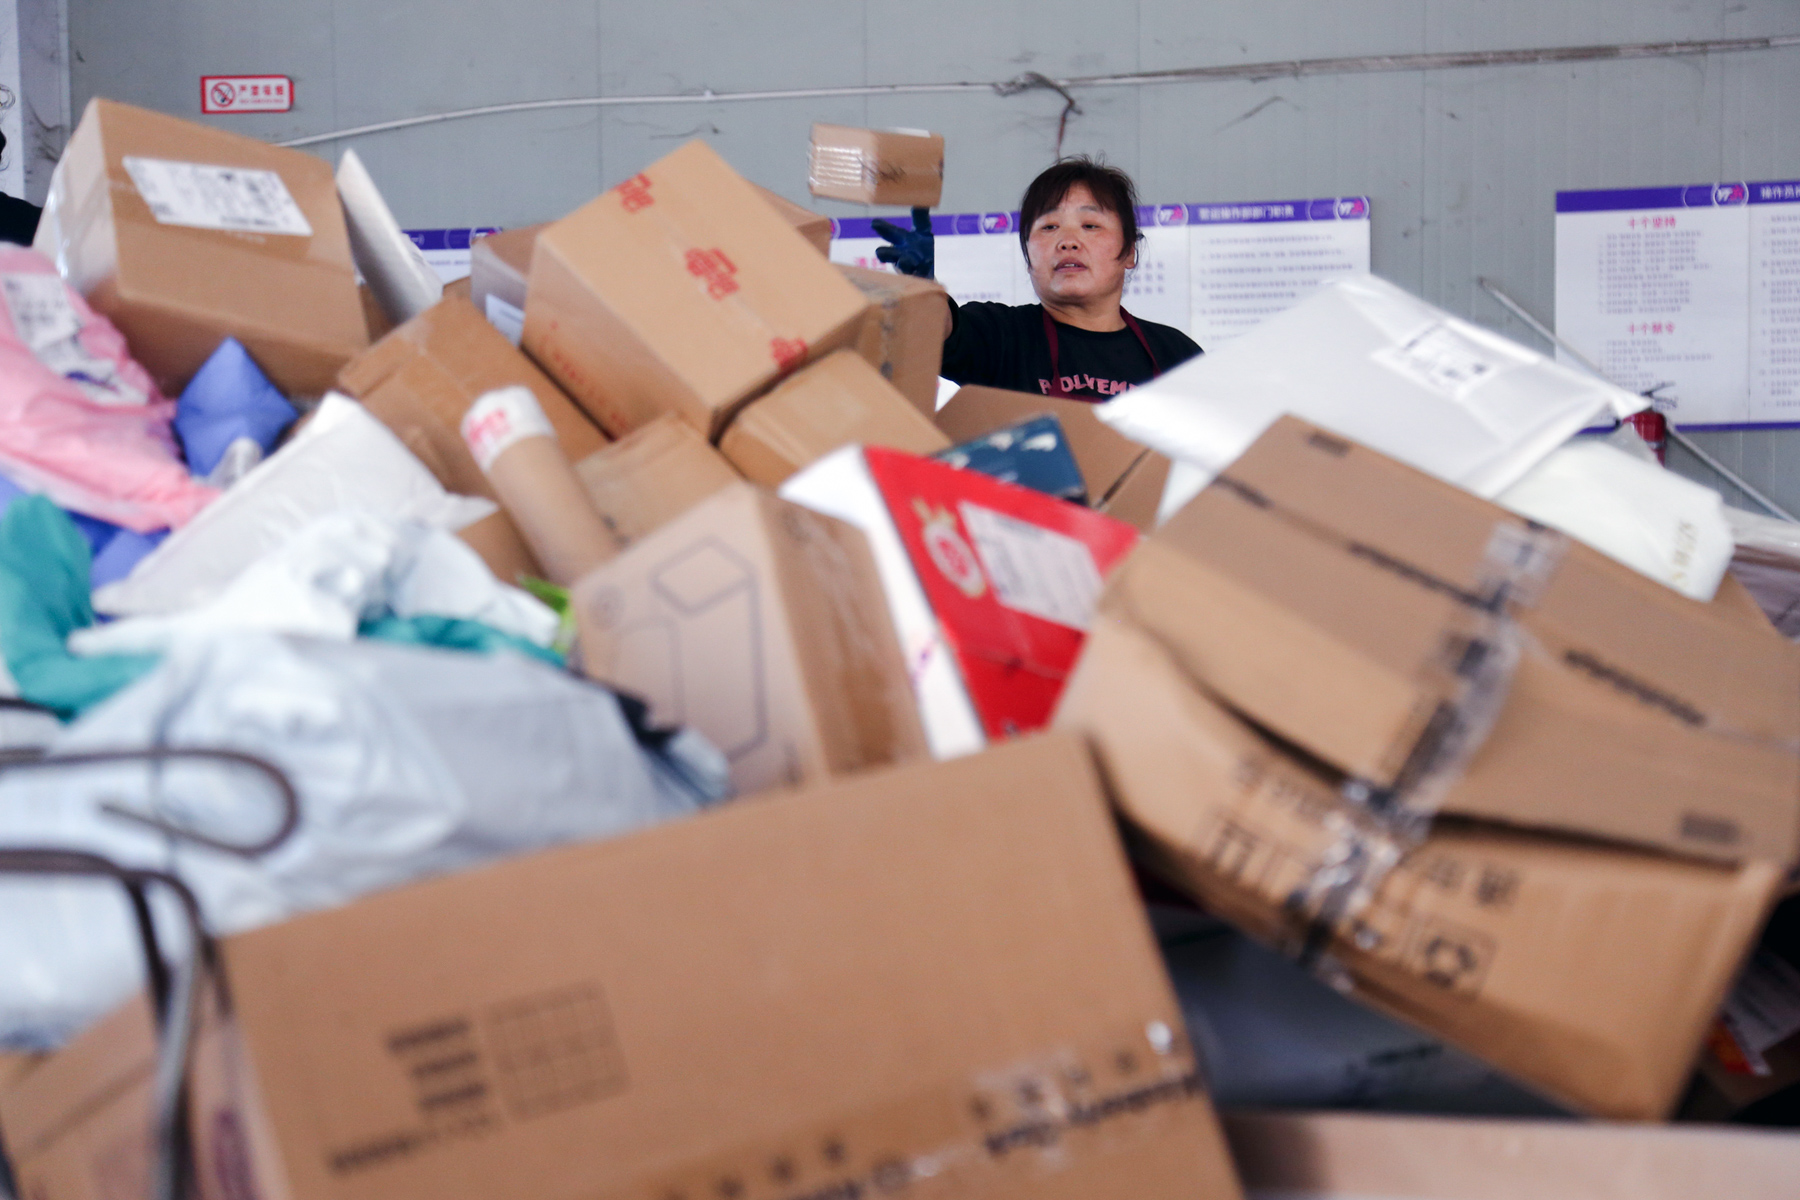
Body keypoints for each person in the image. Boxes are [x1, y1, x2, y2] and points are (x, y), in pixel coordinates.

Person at [874, 156, 1199, 401]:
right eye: (1049, 227)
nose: (1067, 241)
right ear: (1028, 258)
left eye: (1090, 225)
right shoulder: (1001, 336)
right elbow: (938, 330)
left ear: (1129, 252)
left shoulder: (1177, 355)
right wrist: (922, 291)